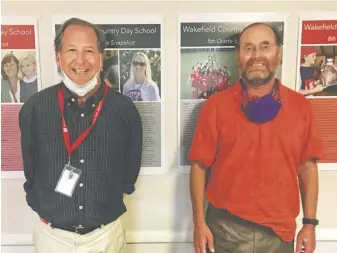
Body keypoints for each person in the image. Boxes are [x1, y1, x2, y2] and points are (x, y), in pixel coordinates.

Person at [189, 22, 324, 253]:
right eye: (248, 48)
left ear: (278, 53)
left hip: (279, 235)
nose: (256, 55)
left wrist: (309, 224)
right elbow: (199, 167)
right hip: (224, 231)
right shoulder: (215, 107)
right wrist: (199, 224)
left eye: (265, 46)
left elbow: (307, 167)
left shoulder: (300, 107)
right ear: (238, 56)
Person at [19, 17, 143, 253]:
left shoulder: (124, 109)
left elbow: (130, 172)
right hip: (51, 237)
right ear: (58, 56)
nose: (80, 60)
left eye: (88, 51)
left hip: (106, 235)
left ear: (100, 56)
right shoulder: (35, 108)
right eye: (71, 50)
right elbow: (31, 170)